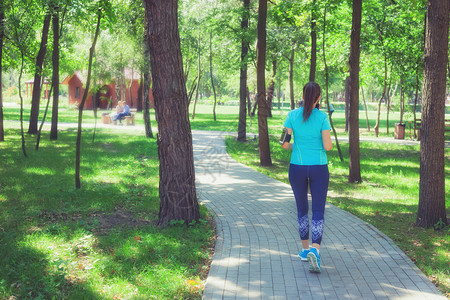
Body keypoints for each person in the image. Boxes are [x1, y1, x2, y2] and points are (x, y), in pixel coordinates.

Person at [281, 82, 332, 273]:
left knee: (302, 208)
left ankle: (304, 250)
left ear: (303, 95)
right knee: (318, 209)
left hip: (297, 168)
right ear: (319, 98)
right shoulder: (322, 117)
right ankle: (315, 251)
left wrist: (297, 147)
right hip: (319, 167)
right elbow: (327, 147)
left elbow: (284, 144)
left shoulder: (292, 115)